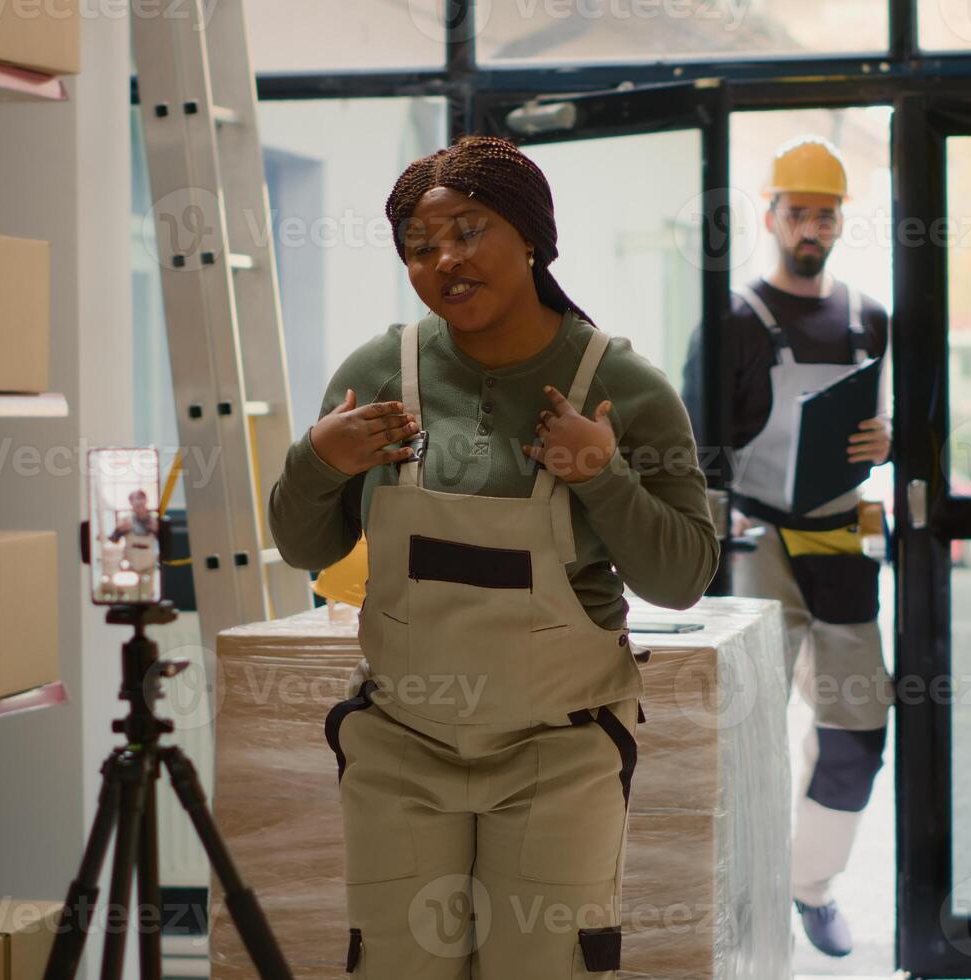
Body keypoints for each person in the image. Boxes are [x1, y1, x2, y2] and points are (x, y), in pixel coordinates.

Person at [269, 135, 719, 979]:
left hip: (558, 753)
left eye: (467, 232)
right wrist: (318, 461)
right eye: (417, 248)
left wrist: (602, 475)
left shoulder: (622, 387)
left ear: (531, 236)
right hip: (400, 744)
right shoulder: (379, 371)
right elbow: (305, 546)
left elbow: (681, 574)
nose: (443, 260)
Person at [681, 135, 896, 958]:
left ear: (842, 220)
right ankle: (733, 896)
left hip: (839, 541)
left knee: (856, 731)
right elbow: (692, 443)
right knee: (742, 732)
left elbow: (900, 428)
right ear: (770, 216)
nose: (812, 226)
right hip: (754, 546)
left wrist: (888, 440)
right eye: (798, 211)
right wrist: (708, 531)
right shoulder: (735, 321)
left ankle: (808, 885)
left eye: (826, 213)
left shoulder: (870, 317)